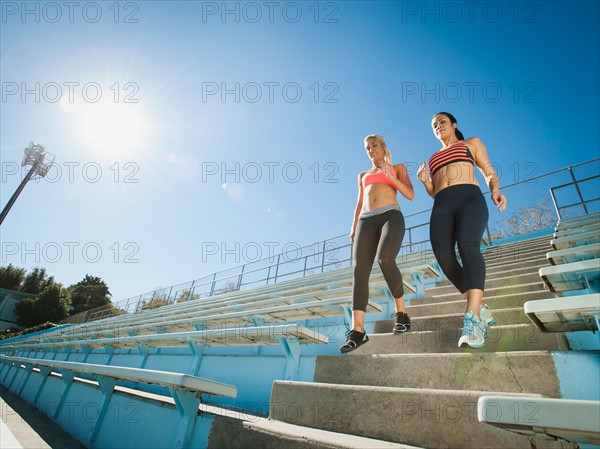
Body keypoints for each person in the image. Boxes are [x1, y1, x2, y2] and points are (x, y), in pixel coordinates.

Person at [417, 112, 507, 348]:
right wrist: (426, 182)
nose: (438, 126)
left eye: (442, 122)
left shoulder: (471, 143)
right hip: (442, 204)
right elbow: (435, 191)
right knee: (443, 257)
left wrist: (495, 189)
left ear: (454, 124)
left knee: (468, 246)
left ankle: (473, 318)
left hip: (469, 198)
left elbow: (488, 171)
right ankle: (482, 307)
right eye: (434, 125)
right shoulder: (434, 157)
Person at [340, 134, 414, 353]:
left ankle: (401, 313)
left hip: (390, 215)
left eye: (374, 146)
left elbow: (409, 194)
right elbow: (359, 203)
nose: (371, 150)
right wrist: (354, 228)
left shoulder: (398, 167)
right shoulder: (362, 175)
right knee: (359, 271)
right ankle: (358, 330)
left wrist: (390, 174)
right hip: (365, 221)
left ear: (383, 147)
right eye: (367, 148)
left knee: (385, 259)